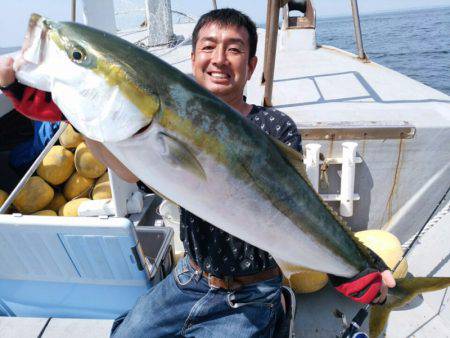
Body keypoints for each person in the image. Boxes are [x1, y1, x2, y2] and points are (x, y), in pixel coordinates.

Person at [0, 8, 395, 337]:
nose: (219, 58)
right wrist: (75, 114)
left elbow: (300, 211)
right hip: (189, 278)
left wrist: (354, 266)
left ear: (251, 65)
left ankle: (278, 309)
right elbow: (133, 171)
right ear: (192, 60)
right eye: (208, 47)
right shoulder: (155, 125)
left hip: (251, 291)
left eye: (234, 49)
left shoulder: (274, 125)